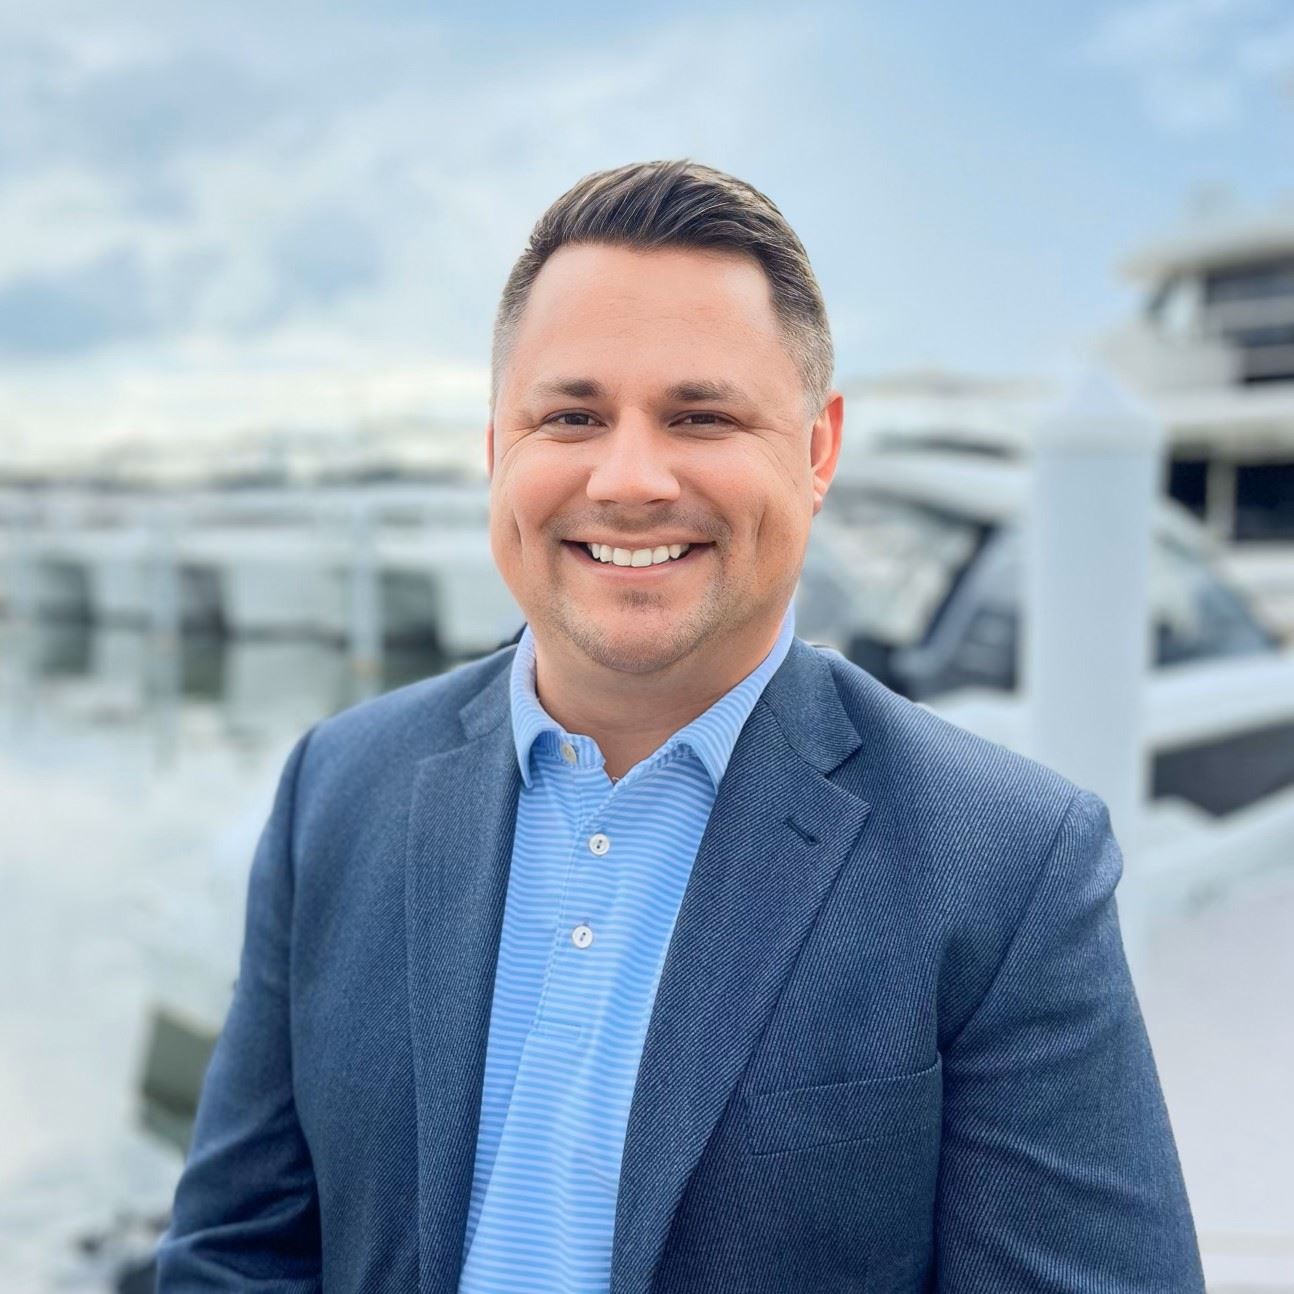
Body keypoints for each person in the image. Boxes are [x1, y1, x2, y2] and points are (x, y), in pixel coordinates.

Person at [156, 160, 1205, 1292]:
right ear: (495, 448)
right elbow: (235, 1251)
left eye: (700, 415)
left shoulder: (1004, 863)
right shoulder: (338, 787)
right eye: (572, 415)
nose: (630, 477)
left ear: (816, 452)